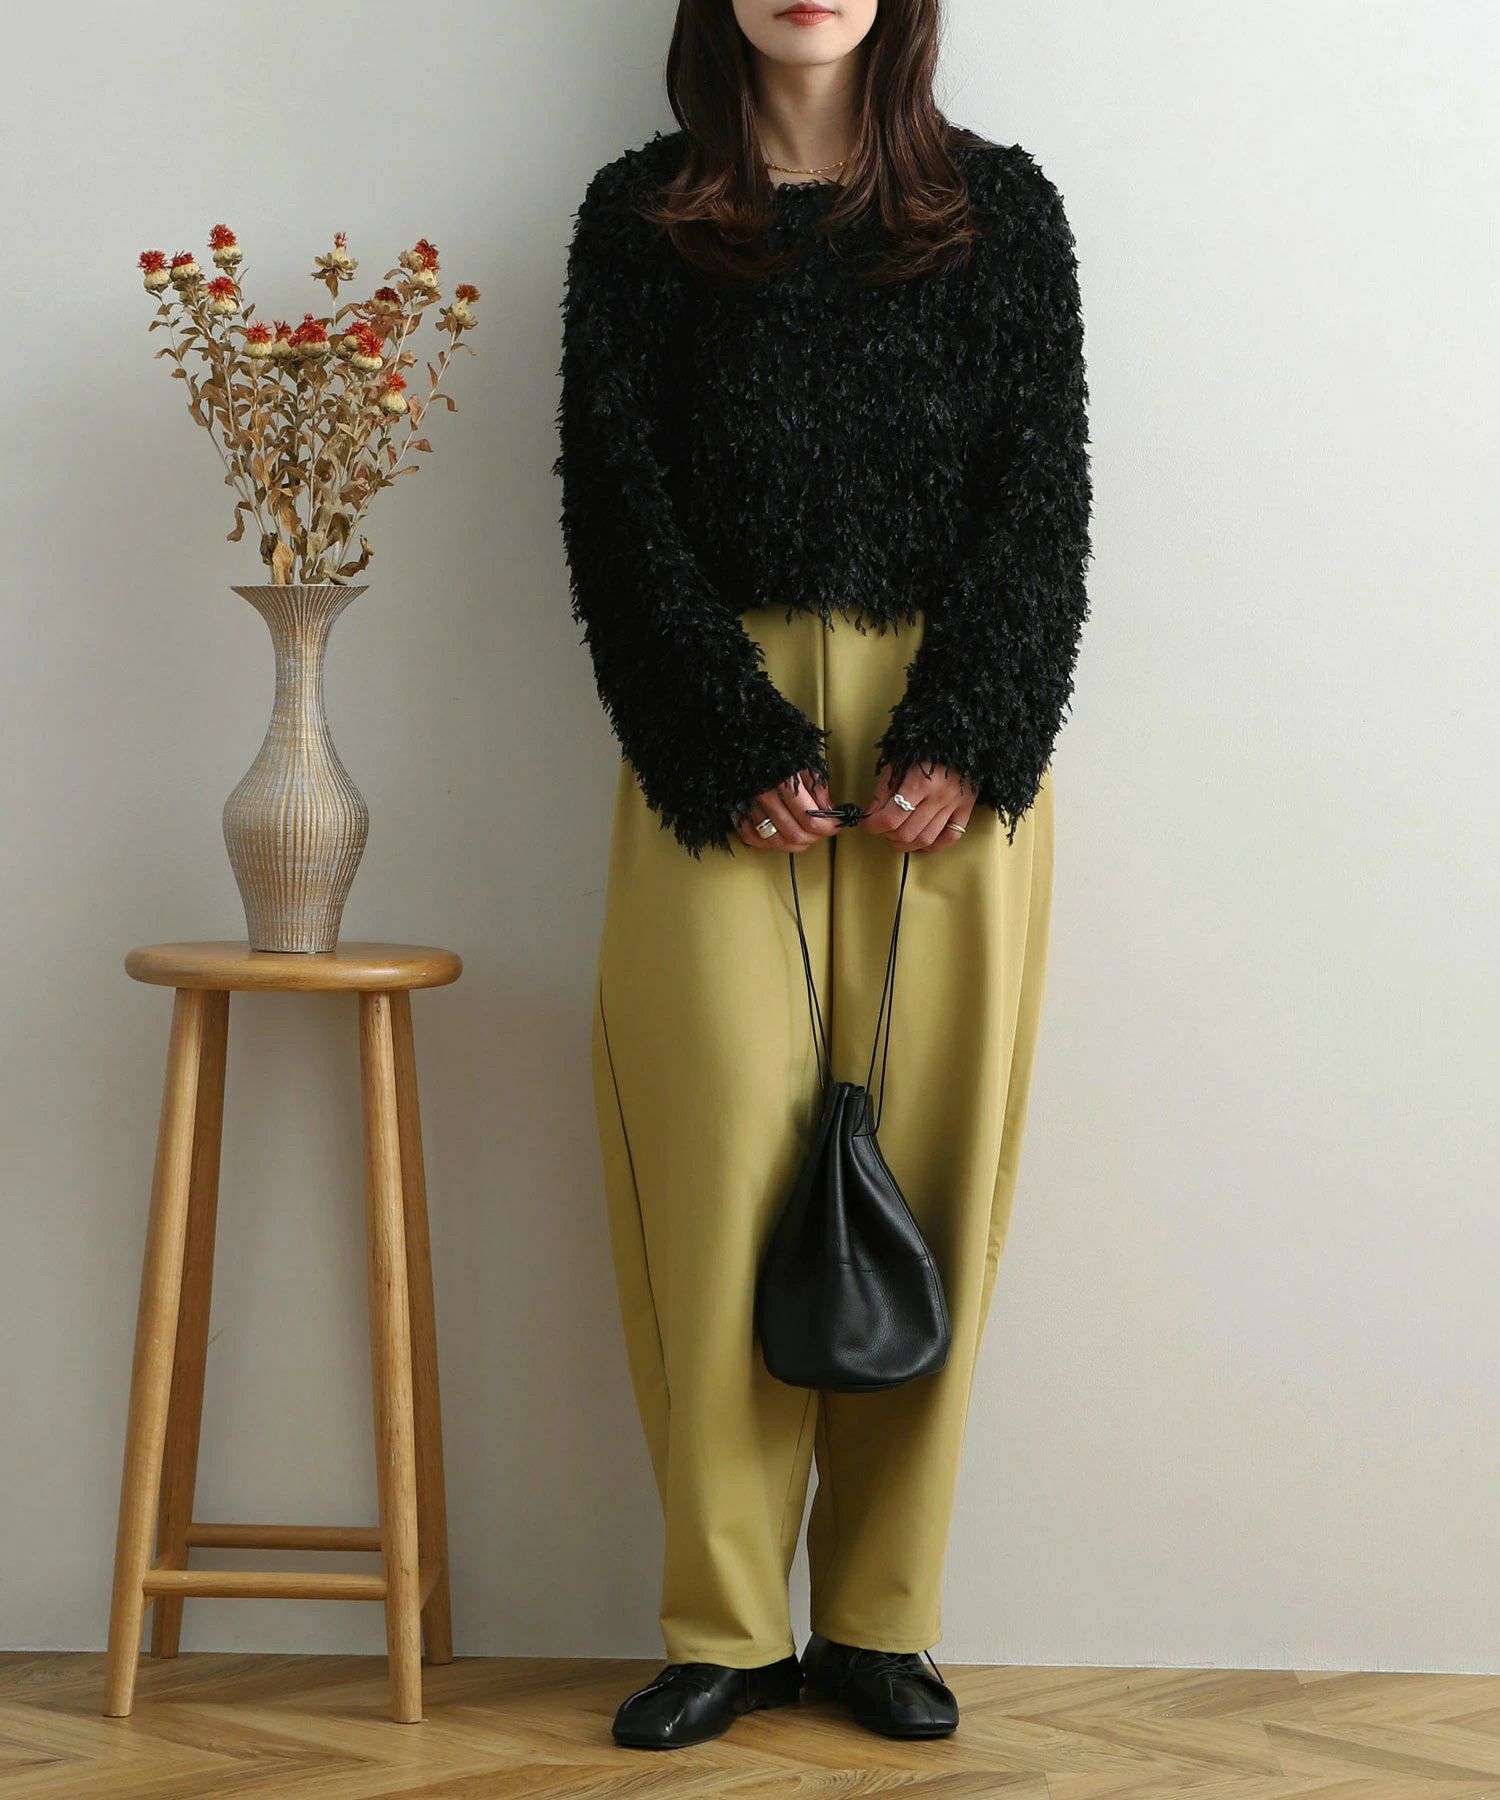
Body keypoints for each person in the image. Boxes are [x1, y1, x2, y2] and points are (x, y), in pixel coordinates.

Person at [552, 0, 1092, 1751]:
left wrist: (972, 727)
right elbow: (613, 510)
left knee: (933, 1167)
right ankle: (721, 1623)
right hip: (718, 747)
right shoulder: (639, 221)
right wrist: (722, 737)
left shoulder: (1003, 215)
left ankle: (881, 1620)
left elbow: (1043, 496)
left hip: (949, 754)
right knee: (710, 1176)